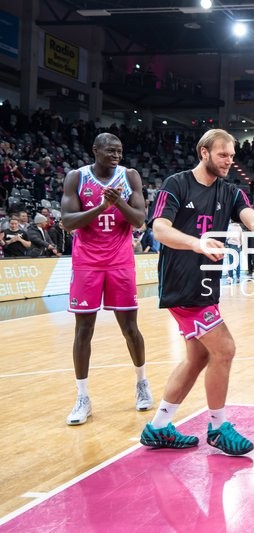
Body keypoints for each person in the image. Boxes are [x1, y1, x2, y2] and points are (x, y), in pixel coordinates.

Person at [140, 128, 254, 456]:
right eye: (223, 155)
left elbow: (247, 214)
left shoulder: (230, 191)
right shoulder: (176, 183)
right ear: (204, 152)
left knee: (199, 356)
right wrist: (195, 243)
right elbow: (159, 228)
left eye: (231, 155)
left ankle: (158, 427)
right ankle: (217, 427)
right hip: (182, 283)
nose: (229, 161)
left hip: (205, 284)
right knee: (224, 348)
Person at [60, 132, 149, 426]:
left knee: (130, 328)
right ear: (95, 150)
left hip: (120, 261)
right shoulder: (77, 177)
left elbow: (139, 219)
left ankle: (141, 382)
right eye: (110, 150)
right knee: (83, 329)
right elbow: (67, 221)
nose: (116, 155)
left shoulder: (130, 176)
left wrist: (118, 204)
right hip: (87, 262)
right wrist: (100, 208)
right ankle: (82, 397)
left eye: (119, 151)